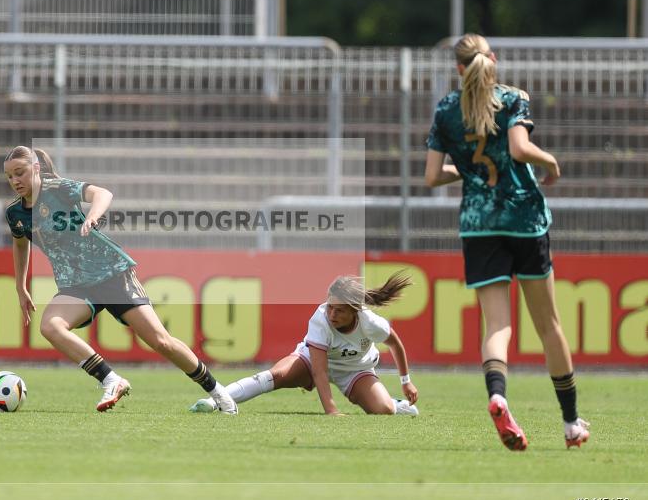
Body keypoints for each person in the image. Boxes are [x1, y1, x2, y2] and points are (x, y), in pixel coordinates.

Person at [424, 33, 590, 450]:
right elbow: (519, 149)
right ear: (491, 60)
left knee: (497, 324)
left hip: (479, 226)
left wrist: (468, 171)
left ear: (458, 69)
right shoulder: (513, 98)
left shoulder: (446, 109)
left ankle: (498, 395)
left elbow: (431, 176)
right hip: (524, 220)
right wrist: (549, 160)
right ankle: (571, 423)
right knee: (548, 325)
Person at [3, 145, 238, 414]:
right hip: (76, 285)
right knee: (51, 327)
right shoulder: (15, 214)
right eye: (9, 177)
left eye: (19, 173)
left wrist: (93, 215)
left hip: (111, 272)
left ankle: (218, 392)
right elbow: (20, 244)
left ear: (35, 169)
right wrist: (20, 286)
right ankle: (111, 380)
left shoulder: (57, 189)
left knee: (161, 341)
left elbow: (102, 193)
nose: (15, 181)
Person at [190, 273, 419, 417]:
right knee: (273, 376)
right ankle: (214, 402)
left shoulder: (371, 323)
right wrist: (332, 411)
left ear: (354, 310)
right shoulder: (320, 318)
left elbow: (395, 345)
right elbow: (319, 371)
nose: (332, 314)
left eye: (339, 310)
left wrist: (405, 382)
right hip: (312, 361)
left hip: (355, 369)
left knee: (384, 411)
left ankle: (395, 404)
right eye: (330, 306)